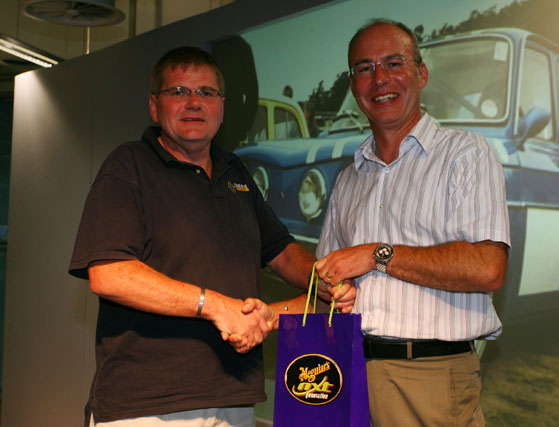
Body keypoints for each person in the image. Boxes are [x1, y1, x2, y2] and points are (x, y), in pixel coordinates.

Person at [69, 46, 353, 427]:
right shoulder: (128, 166)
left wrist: (325, 280)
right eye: (178, 92)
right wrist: (217, 306)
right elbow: (109, 273)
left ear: (221, 106)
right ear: (154, 106)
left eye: (206, 92)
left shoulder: (235, 171)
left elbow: (281, 250)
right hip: (147, 405)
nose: (193, 103)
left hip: (234, 400)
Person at [315, 19, 510, 426]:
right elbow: (326, 289)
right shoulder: (348, 179)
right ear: (353, 85)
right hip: (345, 373)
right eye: (364, 68)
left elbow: (487, 268)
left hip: (428, 378)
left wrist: (377, 254)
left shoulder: (465, 154)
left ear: (421, 73)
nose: (379, 79)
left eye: (393, 63)